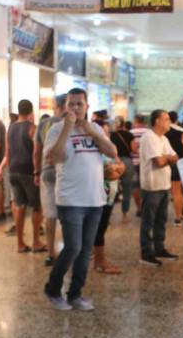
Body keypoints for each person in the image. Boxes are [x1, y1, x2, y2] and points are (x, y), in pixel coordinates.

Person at [43, 87, 118, 311]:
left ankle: (75, 294)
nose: (75, 108)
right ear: (65, 107)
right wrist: (68, 127)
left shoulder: (94, 127)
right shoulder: (56, 130)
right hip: (70, 199)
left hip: (95, 199)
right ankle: (53, 289)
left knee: (86, 251)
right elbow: (53, 158)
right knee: (73, 247)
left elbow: (112, 152)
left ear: (86, 107)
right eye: (71, 104)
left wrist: (92, 133)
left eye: (79, 104)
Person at [2, 100, 47, 253]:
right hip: (29, 172)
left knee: (19, 206)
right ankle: (35, 241)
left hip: (13, 170)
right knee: (37, 206)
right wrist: (37, 171)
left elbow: (7, 152)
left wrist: (8, 168)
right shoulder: (32, 128)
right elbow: (36, 152)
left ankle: (20, 243)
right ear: (31, 111)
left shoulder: (11, 128)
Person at [138, 109, 179, 267]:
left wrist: (166, 157)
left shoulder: (164, 139)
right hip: (152, 186)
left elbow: (175, 157)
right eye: (167, 119)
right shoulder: (149, 138)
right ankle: (146, 253)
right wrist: (167, 158)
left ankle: (159, 248)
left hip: (164, 184)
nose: (169, 122)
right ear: (157, 121)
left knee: (161, 220)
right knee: (148, 221)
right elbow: (159, 162)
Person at [33, 97, 66, 266]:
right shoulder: (70, 123)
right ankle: (71, 250)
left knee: (50, 214)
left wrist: (37, 172)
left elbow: (36, 151)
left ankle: (51, 253)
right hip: (66, 172)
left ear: (56, 106)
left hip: (47, 172)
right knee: (69, 212)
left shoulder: (43, 124)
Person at [92, 112, 125, 275]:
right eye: (103, 133)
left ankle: (97, 258)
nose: (106, 135)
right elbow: (107, 173)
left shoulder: (111, 149)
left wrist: (116, 171)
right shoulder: (94, 150)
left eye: (107, 133)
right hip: (99, 195)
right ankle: (99, 261)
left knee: (102, 226)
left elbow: (120, 167)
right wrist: (113, 171)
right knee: (99, 227)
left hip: (110, 194)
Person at [110, 115, 135, 221]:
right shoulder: (129, 134)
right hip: (127, 162)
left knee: (111, 188)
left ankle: (108, 214)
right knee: (127, 188)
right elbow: (134, 149)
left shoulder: (110, 135)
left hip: (114, 161)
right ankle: (125, 214)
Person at [166, 114, 183, 224]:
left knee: (174, 191)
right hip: (180, 162)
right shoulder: (182, 131)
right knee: (179, 191)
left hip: (166, 161)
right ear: (176, 119)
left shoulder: (163, 131)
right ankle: (179, 216)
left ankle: (179, 212)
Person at [129, 114, 147, 216]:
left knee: (136, 186)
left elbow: (132, 149)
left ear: (135, 120)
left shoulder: (131, 133)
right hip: (146, 164)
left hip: (134, 162)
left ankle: (139, 208)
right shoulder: (149, 133)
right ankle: (145, 207)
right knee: (146, 187)